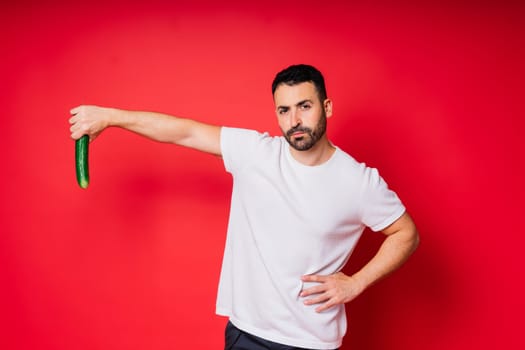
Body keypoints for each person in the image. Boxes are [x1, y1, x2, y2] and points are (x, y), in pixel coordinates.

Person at [69, 64, 419, 350]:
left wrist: (356, 283)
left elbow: (406, 233)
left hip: (311, 341)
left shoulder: (358, 181)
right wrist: (110, 117)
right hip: (246, 334)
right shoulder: (257, 154)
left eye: (305, 106)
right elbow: (183, 132)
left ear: (326, 107)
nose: (294, 119)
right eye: (284, 110)